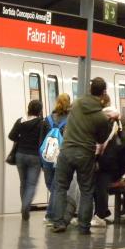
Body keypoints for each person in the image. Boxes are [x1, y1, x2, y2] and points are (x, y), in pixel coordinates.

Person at [50, 77, 111, 234]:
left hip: (67, 151)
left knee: (60, 187)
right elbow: (101, 139)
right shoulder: (101, 117)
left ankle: (58, 223)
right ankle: (84, 226)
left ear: (90, 89)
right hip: (85, 154)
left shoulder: (76, 104)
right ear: (104, 92)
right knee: (86, 191)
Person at [8, 100, 43, 220]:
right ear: (39, 111)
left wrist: (21, 136)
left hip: (20, 155)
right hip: (35, 157)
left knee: (23, 183)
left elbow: (11, 136)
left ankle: (24, 207)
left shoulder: (20, 121)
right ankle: (25, 206)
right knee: (31, 184)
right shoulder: (41, 123)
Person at [39, 93, 71, 224]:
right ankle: (54, 213)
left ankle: (51, 214)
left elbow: (41, 141)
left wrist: (41, 160)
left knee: (51, 185)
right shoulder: (70, 120)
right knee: (56, 187)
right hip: (61, 158)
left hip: (47, 157)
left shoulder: (47, 119)